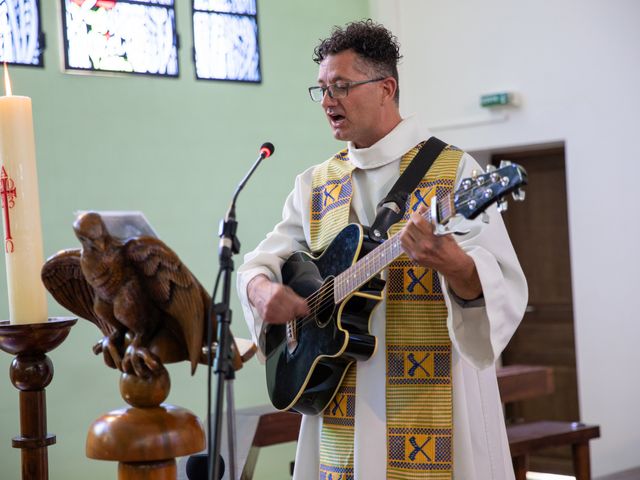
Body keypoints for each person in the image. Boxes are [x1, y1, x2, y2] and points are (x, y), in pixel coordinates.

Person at [237, 19, 527, 480]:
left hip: (431, 401)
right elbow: (261, 261)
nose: (328, 101)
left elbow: (497, 281)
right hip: (336, 398)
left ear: (386, 87)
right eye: (322, 90)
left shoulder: (454, 171)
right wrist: (260, 291)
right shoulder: (314, 184)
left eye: (341, 87)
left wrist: (451, 263)